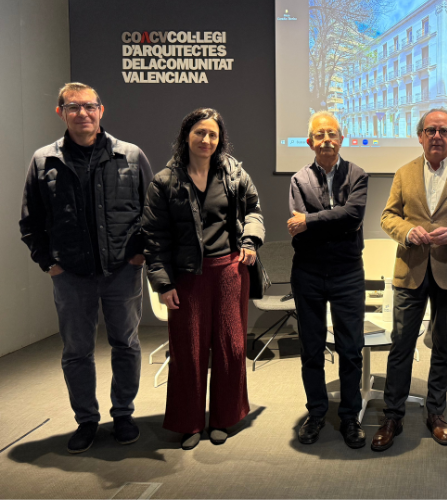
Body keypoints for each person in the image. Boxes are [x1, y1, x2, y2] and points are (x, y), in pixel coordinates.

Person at [19, 82, 153, 453]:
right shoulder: (44, 160)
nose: (83, 113)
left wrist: (140, 254)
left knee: (126, 344)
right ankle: (87, 420)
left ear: (101, 110)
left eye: (90, 106)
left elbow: (152, 212)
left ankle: (123, 414)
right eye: (73, 107)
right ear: (60, 112)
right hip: (71, 276)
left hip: (122, 272)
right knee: (76, 352)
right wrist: (49, 263)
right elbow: (30, 222)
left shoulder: (130, 155)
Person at [142, 108, 264, 450]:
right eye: (199, 132)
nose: (206, 139)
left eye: (212, 134)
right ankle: (189, 423)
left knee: (231, 347)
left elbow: (254, 211)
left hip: (229, 272)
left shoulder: (235, 173)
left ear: (219, 139)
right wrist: (163, 283)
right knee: (188, 352)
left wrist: (250, 240)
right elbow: (153, 236)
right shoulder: (164, 181)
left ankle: (225, 417)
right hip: (186, 277)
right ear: (186, 136)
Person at [374, 109, 447, 451]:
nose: (437, 136)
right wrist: (407, 232)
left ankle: (436, 413)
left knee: (444, 347)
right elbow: (388, 216)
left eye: (444, 131)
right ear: (420, 136)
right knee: (401, 346)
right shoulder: (404, 173)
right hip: (411, 270)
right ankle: (392, 416)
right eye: (430, 130)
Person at [288, 111, 369, 449]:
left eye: (331, 134)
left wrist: (311, 220)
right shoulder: (298, 179)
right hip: (307, 272)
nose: (326, 140)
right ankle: (317, 412)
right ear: (310, 142)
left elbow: (353, 217)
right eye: (319, 135)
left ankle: (350, 416)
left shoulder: (358, 174)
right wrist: (329, 223)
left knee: (350, 349)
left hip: (347, 272)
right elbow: (298, 230)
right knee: (311, 348)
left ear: (341, 138)